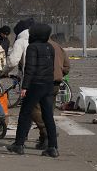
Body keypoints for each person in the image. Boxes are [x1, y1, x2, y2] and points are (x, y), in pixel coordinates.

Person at [7, 23, 59, 158]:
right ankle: (53, 147)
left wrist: (25, 87)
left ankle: (18, 144)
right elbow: (51, 67)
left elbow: (30, 69)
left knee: (25, 113)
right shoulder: (50, 47)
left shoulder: (32, 47)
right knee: (48, 116)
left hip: (35, 85)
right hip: (48, 84)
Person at [30, 38, 70, 149]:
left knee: (33, 108)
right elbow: (67, 67)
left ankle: (47, 132)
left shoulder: (37, 46)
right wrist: (59, 72)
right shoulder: (58, 46)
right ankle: (45, 139)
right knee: (48, 111)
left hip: (41, 82)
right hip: (55, 83)